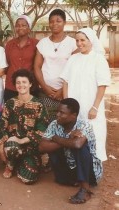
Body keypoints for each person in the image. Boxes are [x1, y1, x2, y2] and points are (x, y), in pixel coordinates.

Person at [60, 28, 111, 161]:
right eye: (77, 40)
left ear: (91, 40)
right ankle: (76, 171)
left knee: (94, 135)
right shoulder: (73, 59)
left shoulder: (98, 59)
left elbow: (102, 85)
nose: (79, 43)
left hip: (91, 105)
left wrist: (95, 107)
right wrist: (67, 104)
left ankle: (93, 171)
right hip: (74, 107)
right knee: (74, 135)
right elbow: (66, 81)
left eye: (82, 40)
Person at [39, 98, 102, 204]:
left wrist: (54, 138)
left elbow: (77, 145)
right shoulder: (55, 124)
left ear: (74, 115)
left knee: (81, 147)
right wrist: (69, 139)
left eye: (62, 113)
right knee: (52, 147)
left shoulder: (84, 125)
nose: (57, 115)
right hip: (67, 171)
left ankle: (85, 189)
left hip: (89, 173)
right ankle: (71, 180)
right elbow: (42, 147)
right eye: (57, 111)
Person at [0, 69, 48, 184]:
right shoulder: (10, 103)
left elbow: (41, 129)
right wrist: (1, 145)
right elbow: (1, 125)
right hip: (12, 143)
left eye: (24, 82)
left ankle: (21, 162)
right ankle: (10, 164)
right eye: (18, 82)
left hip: (30, 146)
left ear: (30, 84)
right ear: (14, 85)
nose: (21, 85)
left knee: (28, 179)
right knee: (12, 147)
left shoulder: (39, 105)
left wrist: (23, 140)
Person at [34, 9, 77, 123]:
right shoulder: (42, 43)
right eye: (52, 21)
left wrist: (62, 90)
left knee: (62, 122)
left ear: (64, 23)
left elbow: (75, 70)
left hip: (65, 92)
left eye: (58, 21)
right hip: (44, 92)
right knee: (45, 122)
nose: (54, 24)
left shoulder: (73, 43)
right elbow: (37, 67)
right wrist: (45, 88)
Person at [4, 15, 39, 101]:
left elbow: (38, 64)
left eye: (24, 25)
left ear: (29, 28)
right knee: (11, 112)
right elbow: (8, 62)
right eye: (18, 25)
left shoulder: (36, 43)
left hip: (30, 86)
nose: (20, 28)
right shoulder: (9, 44)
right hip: (11, 86)